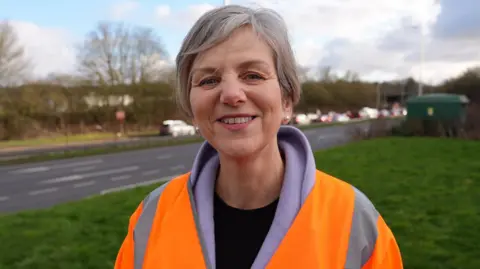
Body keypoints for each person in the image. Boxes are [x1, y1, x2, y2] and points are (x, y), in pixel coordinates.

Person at [114, 5, 403, 269]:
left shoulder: (356, 222)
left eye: (252, 75)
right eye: (208, 80)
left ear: (287, 100)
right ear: (191, 108)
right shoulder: (152, 216)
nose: (230, 94)